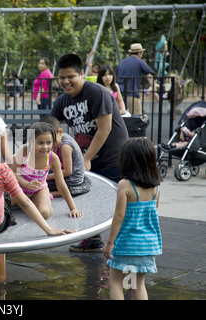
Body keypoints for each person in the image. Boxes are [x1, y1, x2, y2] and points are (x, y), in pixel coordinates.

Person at [50, 53, 129, 253]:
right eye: (61, 78)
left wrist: (86, 158)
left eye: (70, 77)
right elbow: (49, 127)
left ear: (82, 74)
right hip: (86, 157)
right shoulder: (62, 102)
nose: (66, 82)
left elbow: (104, 128)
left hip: (112, 155)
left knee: (118, 199)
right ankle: (93, 239)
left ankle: (123, 243)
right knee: (87, 196)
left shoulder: (97, 93)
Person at [103, 137, 163, 300]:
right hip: (148, 244)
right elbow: (153, 214)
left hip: (127, 243)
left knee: (115, 281)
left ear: (127, 161)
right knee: (138, 284)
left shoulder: (125, 185)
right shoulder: (156, 187)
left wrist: (109, 243)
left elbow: (119, 216)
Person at [11, 122, 83, 220]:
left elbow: (61, 184)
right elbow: (14, 173)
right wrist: (26, 184)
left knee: (45, 213)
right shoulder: (24, 150)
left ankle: (37, 201)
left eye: (48, 143)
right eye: (40, 143)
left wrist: (73, 208)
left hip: (38, 190)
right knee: (2, 206)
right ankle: (24, 202)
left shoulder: (53, 158)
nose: (45, 147)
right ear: (31, 142)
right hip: (19, 187)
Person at [40, 116, 91, 198]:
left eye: (51, 141)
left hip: (73, 179)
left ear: (60, 132)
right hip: (64, 173)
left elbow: (68, 171)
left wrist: (48, 177)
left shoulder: (65, 146)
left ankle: (54, 193)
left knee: (41, 184)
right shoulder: (58, 140)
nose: (50, 145)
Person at [115, 43, 155, 115]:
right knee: (136, 117)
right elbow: (149, 75)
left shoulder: (122, 62)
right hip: (132, 93)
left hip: (119, 93)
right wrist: (154, 89)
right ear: (140, 53)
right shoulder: (140, 62)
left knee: (120, 117)